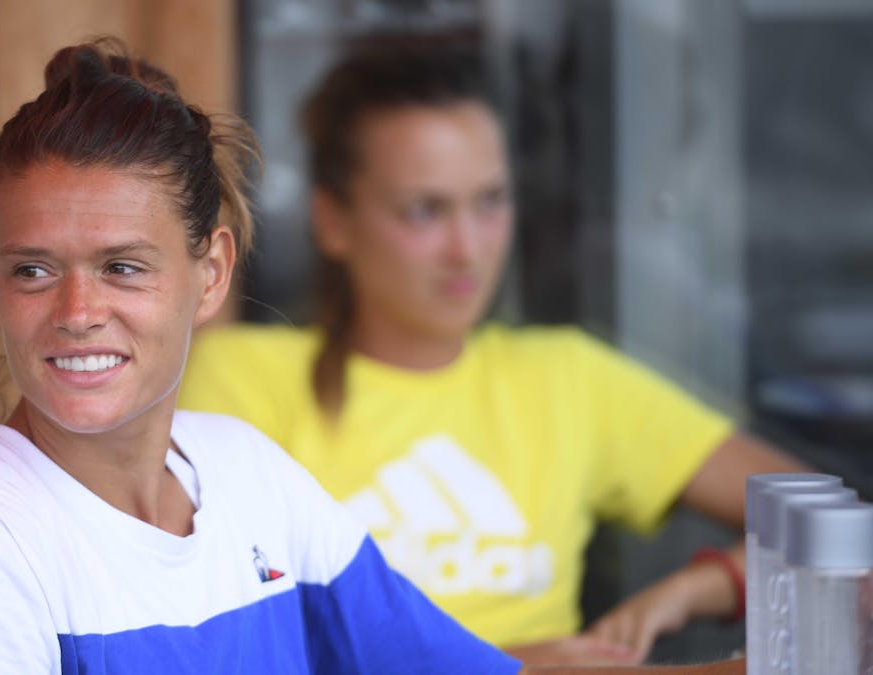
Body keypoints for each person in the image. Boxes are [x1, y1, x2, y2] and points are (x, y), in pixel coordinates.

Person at [178, 42, 805, 667]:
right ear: (333, 221)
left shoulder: (568, 378)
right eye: (425, 210)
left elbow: (831, 531)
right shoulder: (240, 379)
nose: (467, 248)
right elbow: (208, 642)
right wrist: (515, 665)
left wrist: (701, 588)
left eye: (490, 201)